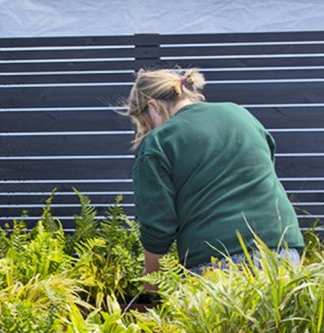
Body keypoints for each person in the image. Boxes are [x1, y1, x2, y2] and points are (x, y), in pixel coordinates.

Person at [125, 68, 304, 275]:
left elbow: (157, 226)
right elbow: (265, 164)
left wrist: (152, 282)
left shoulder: (160, 141)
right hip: (284, 250)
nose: (148, 130)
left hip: (219, 259)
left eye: (145, 123)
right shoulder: (239, 113)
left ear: (153, 106)